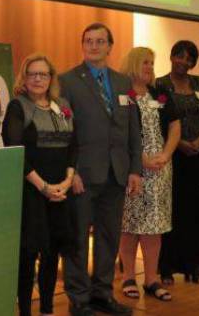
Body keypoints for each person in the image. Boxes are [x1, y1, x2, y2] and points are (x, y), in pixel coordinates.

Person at [58, 23, 142, 316]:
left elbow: (133, 129)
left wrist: (135, 169)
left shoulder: (122, 83)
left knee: (109, 237)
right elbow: (64, 132)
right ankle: (79, 299)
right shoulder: (67, 81)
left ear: (110, 46)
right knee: (78, 238)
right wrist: (73, 171)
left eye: (100, 41)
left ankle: (102, 294)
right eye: (88, 41)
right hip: (83, 174)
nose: (93, 46)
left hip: (117, 174)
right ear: (83, 46)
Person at [2, 53, 76, 316]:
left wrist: (66, 182)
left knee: (52, 253)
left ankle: (46, 309)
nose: (37, 79)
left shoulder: (62, 104)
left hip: (60, 190)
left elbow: (73, 147)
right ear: (24, 77)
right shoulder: (17, 106)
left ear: (51, 78)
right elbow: (15, 149)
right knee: (28, 255)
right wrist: (43, 186)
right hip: (31, 190)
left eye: (43, 74)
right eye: (32, 73)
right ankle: (24, 311)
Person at [118, 47, 180, 302]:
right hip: (132, 168)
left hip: (161, 169)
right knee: (129, 224)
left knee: (154, 225)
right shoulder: (122, 95)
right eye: (145, 62)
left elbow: (175, 127)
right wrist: (140, 159)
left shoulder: (161, 94)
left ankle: (152, 279)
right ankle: (128, 277)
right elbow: (117, 132)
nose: (150, 67)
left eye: (152, 63)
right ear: (133, 63)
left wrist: (165, 155)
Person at [156, 40, 199, 284]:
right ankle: (167, 268)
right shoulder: (159, 85)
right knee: (171, 211)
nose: (183, 61)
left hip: (197, 157)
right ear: (171, 57)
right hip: (170, 156)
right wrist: (179, 143)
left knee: (195, 212)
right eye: (179, 56)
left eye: (189, 58)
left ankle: (194, 267)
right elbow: (158, 122)